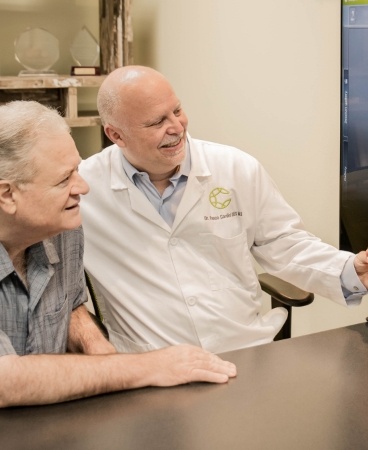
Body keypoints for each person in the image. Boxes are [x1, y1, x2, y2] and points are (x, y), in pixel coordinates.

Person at [79, 65, 368, 354]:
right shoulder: (82, 190)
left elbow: (283, 243)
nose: (177, 127)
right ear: (116, 135)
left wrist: (350, 270)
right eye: (156, 122)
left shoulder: (235, 168)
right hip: (149, 366)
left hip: (242, 351)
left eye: (177, 110)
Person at [0, 100, 237, 408]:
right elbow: (5, 381)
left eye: (77, 170)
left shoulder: (63, 227)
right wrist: (148, 366)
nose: (82, 188)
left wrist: (95, 345)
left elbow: (70, 307)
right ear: (7, 195)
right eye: (64, 180)